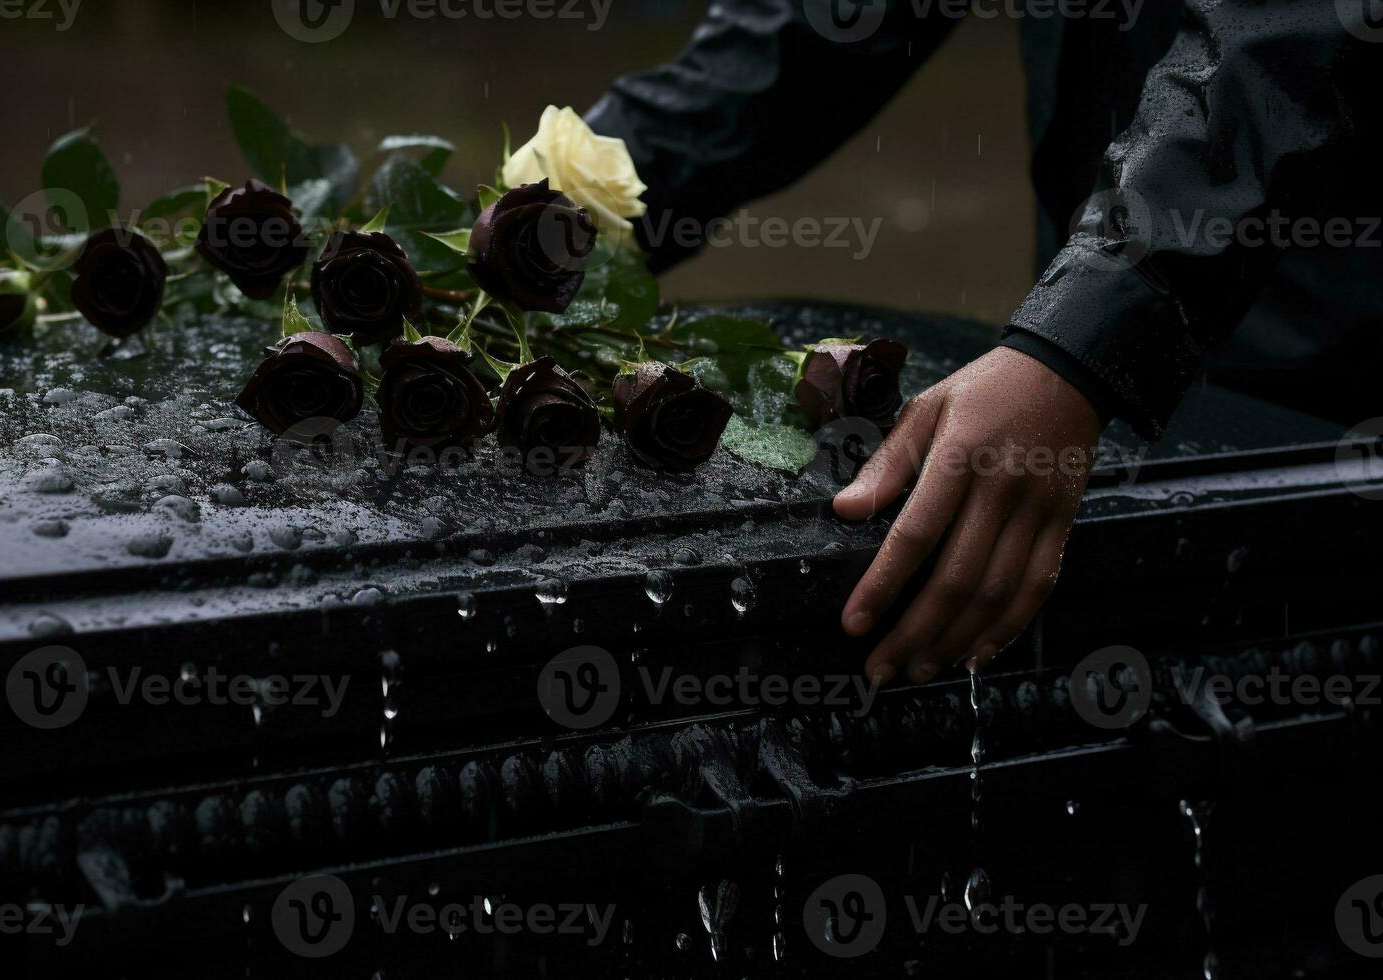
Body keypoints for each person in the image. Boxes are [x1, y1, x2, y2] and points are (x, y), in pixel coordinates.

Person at [582, 0, 1382, 686]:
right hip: (1095, 319)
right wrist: (581, 197)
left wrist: (1081, 339)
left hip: (1327, 359)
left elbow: (1296, 31)